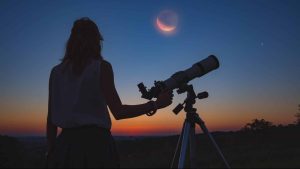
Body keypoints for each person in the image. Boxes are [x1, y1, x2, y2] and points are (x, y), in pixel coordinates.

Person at [46, 17, 173, 168]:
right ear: (96, 41)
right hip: (96, 146)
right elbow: (119, 112)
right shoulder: (101, 67)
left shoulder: (56, 72)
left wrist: (52, 151)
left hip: (65, 145)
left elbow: (51, 118)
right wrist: (156, 104)